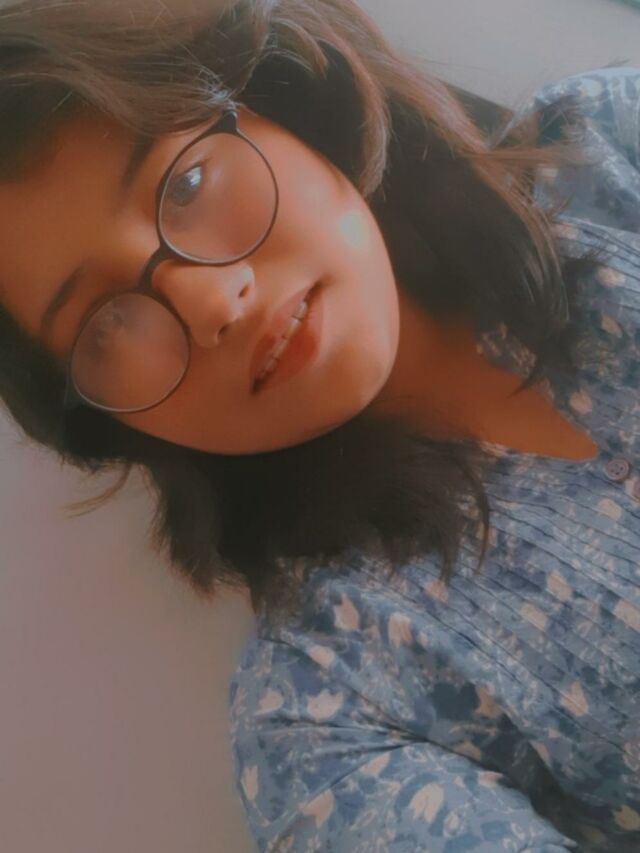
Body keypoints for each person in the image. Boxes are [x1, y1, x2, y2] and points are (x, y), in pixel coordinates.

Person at [0, 0, 637, 849]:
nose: (210, 301)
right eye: (106, 325)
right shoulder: (326, 715)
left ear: (278, 97)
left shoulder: (605, 147)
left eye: (186, 185)